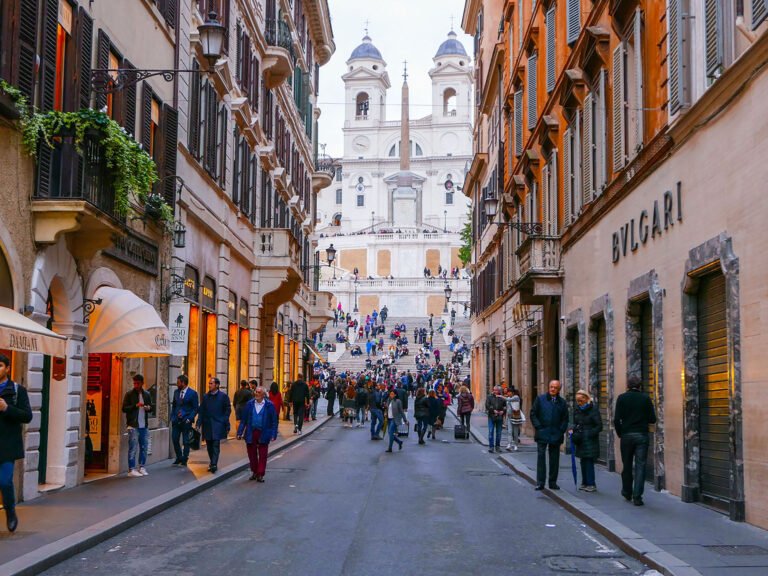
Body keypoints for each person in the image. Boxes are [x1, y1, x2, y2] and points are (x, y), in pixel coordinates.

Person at [0, 354, 32, 532]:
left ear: (7, 368)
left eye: (0, 366)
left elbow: (27, 416)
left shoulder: (17, 390)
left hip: (7, 445)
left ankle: (10, 511)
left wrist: (7, 409)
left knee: (5, 481)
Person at [614, 375, 657, 506]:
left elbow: (616, 419)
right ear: (640, 386)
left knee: (626, 464)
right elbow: (652, 419)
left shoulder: (621, 398)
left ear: (627, 385)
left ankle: (627, 491)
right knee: (640, 466)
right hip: (641, 435)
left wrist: (621, 433)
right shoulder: (645, 398)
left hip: (626, 435)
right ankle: (637, 496)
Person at [530, 380, 569, 490]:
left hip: (556, 434)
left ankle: (552, 482)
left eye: (555, 388)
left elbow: (565, 419)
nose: (552, 389)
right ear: (548, 387)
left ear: (559, 390)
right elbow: (533, 414)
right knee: (541, 458)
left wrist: (561, 430)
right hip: (542, 432)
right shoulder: (540, 399)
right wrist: (538, 427)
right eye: (551, 387)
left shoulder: (562, 402)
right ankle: (540, 482)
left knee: (554, 459)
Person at [237, 386, 278, 482]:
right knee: (251, 454)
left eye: (259, 392)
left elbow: (274, 421)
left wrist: (273, 434)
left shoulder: (269, 405)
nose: (257, 394)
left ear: (263, 394)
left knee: (263, 454)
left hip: (263, 432)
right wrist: (240, 432)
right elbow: (244, 420)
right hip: (251, 432)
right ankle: (254, 471)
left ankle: (260, 473)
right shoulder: (249, 404)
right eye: (256, 392)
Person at [197, 377, 231, 473]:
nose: (209, 385)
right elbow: (201, 410)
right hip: (207, 424)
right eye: (209, 383)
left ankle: (214, 464)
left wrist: (224, 420)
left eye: (211, 383)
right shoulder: (206, 396)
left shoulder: (223, 396)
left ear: (217, 385)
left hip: (218, 424)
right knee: (209, 445)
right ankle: (212, 461)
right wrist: (198, 423)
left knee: (216, 444)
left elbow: (228, 409)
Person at [572, 389, 602, 492]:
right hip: (580, 439)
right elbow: (575, 423)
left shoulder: (593, 410)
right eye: (577, 401)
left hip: (589, 440)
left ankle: (591, 483)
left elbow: (599, 426)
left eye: (580, 400)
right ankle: (584, 482)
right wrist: (573, 429)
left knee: (589, 461)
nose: (579, 403)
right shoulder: (577, 410)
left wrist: (589, 433)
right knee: (582, 461)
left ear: (586, 399)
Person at [121, 373, 151, 477]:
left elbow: (151, 407)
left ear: (142, 383)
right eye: (134, 383)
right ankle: (131, 469)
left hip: (144, 425)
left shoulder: (146, 394)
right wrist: (135, 406)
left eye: (138, 383)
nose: (136, 385)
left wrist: (148, 408)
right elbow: (124, 408)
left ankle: (142, 467)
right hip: (133, 425)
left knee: (144, 447)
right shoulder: (129, 394)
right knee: (133, 448)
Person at [171, 375, 199, 467]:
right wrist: (172, 417)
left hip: (186, 421)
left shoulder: (193, 393)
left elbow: (195, 408)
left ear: (183, 383)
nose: (176, 384)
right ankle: (179, 457)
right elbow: (174, 406)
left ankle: (185, 458)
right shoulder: (176, 392)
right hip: (176, 421)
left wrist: (189, 418)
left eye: (178, 382)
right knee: (175, 439)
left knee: (186, 441)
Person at [485, 386, 506, 453]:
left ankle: (497, 446)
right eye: (494, 390)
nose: (495, 391)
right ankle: (491, 447)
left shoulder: (502, 398)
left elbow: (505, 406)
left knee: (499, 433)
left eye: (496, 390)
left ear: (499, 391)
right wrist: (493, 410)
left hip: (499, 417)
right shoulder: (489, 397)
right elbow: (487, 405)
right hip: (491, 417)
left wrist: (503, 411)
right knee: (491, 432)